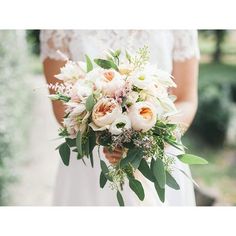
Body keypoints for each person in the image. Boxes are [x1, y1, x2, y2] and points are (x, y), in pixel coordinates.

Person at [40, 30, 199, 206]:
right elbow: (60, 106)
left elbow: (185, 99)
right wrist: (108, 140)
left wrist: (148, 141)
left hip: (156, 155)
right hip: (90, 159)